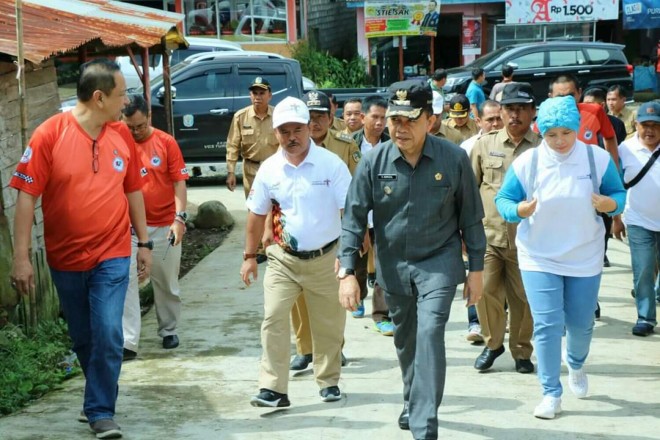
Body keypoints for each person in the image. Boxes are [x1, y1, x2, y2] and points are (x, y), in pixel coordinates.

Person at [9, 58, 152, 439]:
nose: (127, 102)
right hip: (65, 258)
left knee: (109, 331)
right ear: (99, 97)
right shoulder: (49, 135)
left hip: (113, 252)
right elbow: (26, 197)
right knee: (85, 337)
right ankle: (97, 396)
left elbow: (133, 190)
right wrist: (22, 259)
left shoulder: (121, 135)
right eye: (121, 95)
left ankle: (101, 411)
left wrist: (144, 242)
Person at [337, 79, 486, 439]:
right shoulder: (374, 161)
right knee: (406, 341)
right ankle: (412, 398)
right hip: (393, 266)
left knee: (431, 333)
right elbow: (354, 217)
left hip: (439, 261)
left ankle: (424, 425)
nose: (400, 128)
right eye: (394, 120)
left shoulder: (453, 158)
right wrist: (346, 271)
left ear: (430, 120)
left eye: (409, 120)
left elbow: (470, 216)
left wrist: (477, 269)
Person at [495, 95, 626, 419]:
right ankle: (551, 393)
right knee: (547, 325)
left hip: (584, 253)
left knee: (581, 325)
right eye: (551, 134)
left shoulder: (596, 159)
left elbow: (619, 195)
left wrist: (610, 205)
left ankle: (577, 364)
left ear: (577, 128)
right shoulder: (529, 162)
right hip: (539, 255)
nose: (559, 141)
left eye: (566, 133)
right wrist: (518, 210)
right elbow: (504, 199)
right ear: (542, 132)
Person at [240, 96, 352, 407]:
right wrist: (249, 257)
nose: (292, 137)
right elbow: (255, 215)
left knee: (328, 325)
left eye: (298, 130)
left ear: (309, 129)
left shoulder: (332, 165)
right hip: (282, 259)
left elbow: (351, 213)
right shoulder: (269, 169)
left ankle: (328, 381)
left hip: (327, 259)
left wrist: (350, 260)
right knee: (273, 318)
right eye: (284, 131)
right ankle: (273, 388)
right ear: (275, 133)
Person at [287, 90, 361, 370]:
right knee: (298, 296)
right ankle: (305, 349)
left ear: (331, 119)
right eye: (310, 117)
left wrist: (361, 229)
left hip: (335, 233)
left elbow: (358, 190)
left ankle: (333, 347)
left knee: (333, 295)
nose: (315, 122)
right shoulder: (289, 145)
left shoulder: (344, 146)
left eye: (320, 116)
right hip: (299, 231)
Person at [470, 83, 540, 373]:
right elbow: (470, 189)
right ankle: (493, 343)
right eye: (510, 109)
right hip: (489, 235)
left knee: (523, 297)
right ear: (501, 111)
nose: (515, 115)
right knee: (484, 292)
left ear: (532, 112)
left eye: (522, 109)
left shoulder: (542, 147)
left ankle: (522, 351)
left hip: (529, 239)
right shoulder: (485, 144)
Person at [121, 94, 189, 360]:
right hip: (128, 229)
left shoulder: (165, 142)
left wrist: (179, 218)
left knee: (166, 282)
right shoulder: (118, 143)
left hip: (163, 226)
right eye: (130, 127)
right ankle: (129, 341)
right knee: (127, 283)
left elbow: (179, 183)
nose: (136, 132)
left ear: (148, 117)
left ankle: (169, 329)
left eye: (139, 126)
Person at [612, 101, 660, 337]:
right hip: (639, 221)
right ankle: (645, 317)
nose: (649, 130)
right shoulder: (625, 149)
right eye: (645, 125)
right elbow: (615, 186)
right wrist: (616, 218)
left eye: (655, 125)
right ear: (636, 125)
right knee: (643, 269)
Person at [350, 96, 394, 335]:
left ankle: (381, 313)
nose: (379, 123)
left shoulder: (392, 144)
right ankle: (357, 298)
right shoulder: (350, 144)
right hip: (359, 211)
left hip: (385, 212)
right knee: (358, 259)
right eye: (374, 117)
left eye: (383, 118)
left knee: (384, 265)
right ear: (363, 117)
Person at [548, 74, 619, 167]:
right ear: (551, 96)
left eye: (570, 95)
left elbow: (609, 137)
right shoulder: (545, 117)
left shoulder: (595, 111)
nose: (566, 100)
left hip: (589, 174)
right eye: (560, 97)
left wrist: (614, 168)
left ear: (579, 93)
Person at [226, 77, 279, 197]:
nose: (258, 97)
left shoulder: (278, 116)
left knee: (275, 209)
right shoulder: (240, 117)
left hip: (274, 170)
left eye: (262, 93)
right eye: (254, 93)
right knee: (254, 208)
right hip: (251, 171)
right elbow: (232, 146)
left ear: (270, 95)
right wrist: (231, 172)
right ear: (250, 95)